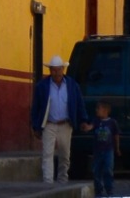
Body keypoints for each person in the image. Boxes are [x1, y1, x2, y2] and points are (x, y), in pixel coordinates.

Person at [30, 54, 90, 183]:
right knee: (47, 153)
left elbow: (79, 103)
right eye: (53, 70)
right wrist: (35, 126)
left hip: (65, 124)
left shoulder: (72, 85)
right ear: (50, 70)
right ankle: (48, 182)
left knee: (64, 155)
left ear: (63, 69)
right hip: (49, 124)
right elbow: (36, 107)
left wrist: (83, 119)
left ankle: (62, 179)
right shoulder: (42, 86)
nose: (56, 73)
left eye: (58, 70)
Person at [91, 100, 121, 198]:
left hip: (108, 150)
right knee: (96, 170)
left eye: (98, 108)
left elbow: (116, 136)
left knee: (108, 169)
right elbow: (90, 127)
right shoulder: (96, 121)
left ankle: (109, 189)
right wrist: (86, 127)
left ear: (105, 110)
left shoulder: (112, 122)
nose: (96, 110)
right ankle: (98, 189)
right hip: (97, 150)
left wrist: (117, 148)